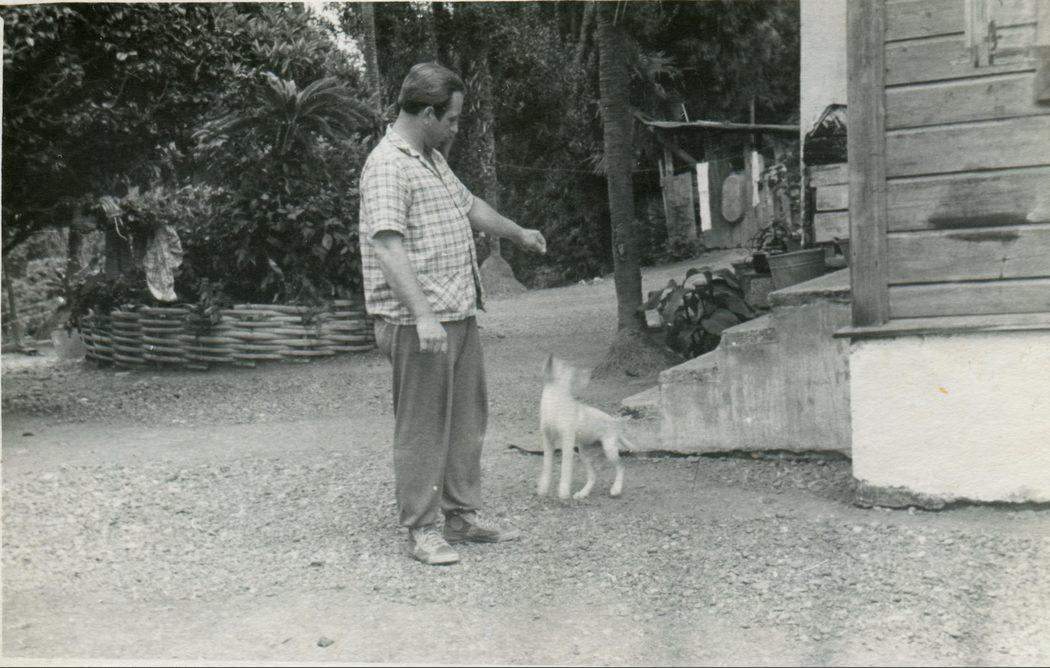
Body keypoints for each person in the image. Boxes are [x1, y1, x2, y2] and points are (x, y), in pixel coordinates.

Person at [358, 62, 547, 566]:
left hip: (457, 312)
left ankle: (460, 516)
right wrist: (423, 316)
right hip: (417, 323)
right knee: (422, 426)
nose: (457, 128)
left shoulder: (431, 159)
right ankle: (421, 529)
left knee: (466, 419)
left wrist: (517, 233)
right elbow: (388, 246)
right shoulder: (388, 165)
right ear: (426, 113)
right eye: (453, 119)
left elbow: (471, 207)